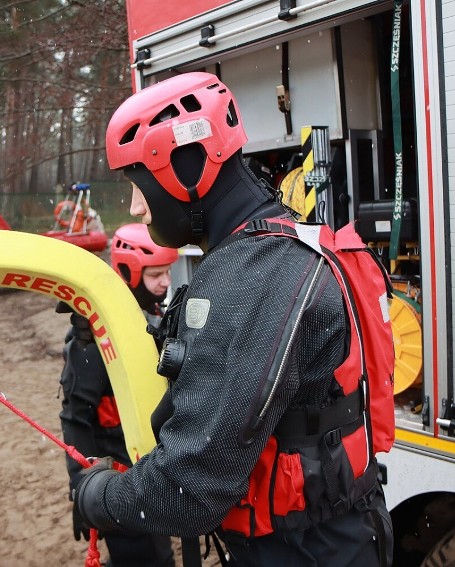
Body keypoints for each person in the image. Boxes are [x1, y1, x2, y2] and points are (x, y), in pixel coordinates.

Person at [70, 72, 393, 566]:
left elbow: (189, 488)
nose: (136, 205)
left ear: (187, 165)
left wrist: (100, 497)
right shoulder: (282, 243)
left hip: (305, 553)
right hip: (330, 539)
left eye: (138, 184)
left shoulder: (254, 275)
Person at [58, 223, 177, 567]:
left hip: (152, 471)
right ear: (129, 270)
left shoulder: (153, 316)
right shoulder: (94, 340)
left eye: (167, 272)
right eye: (157, 274)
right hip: (120, 484)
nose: (166, 282)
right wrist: (81, 485)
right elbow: (75, 415)